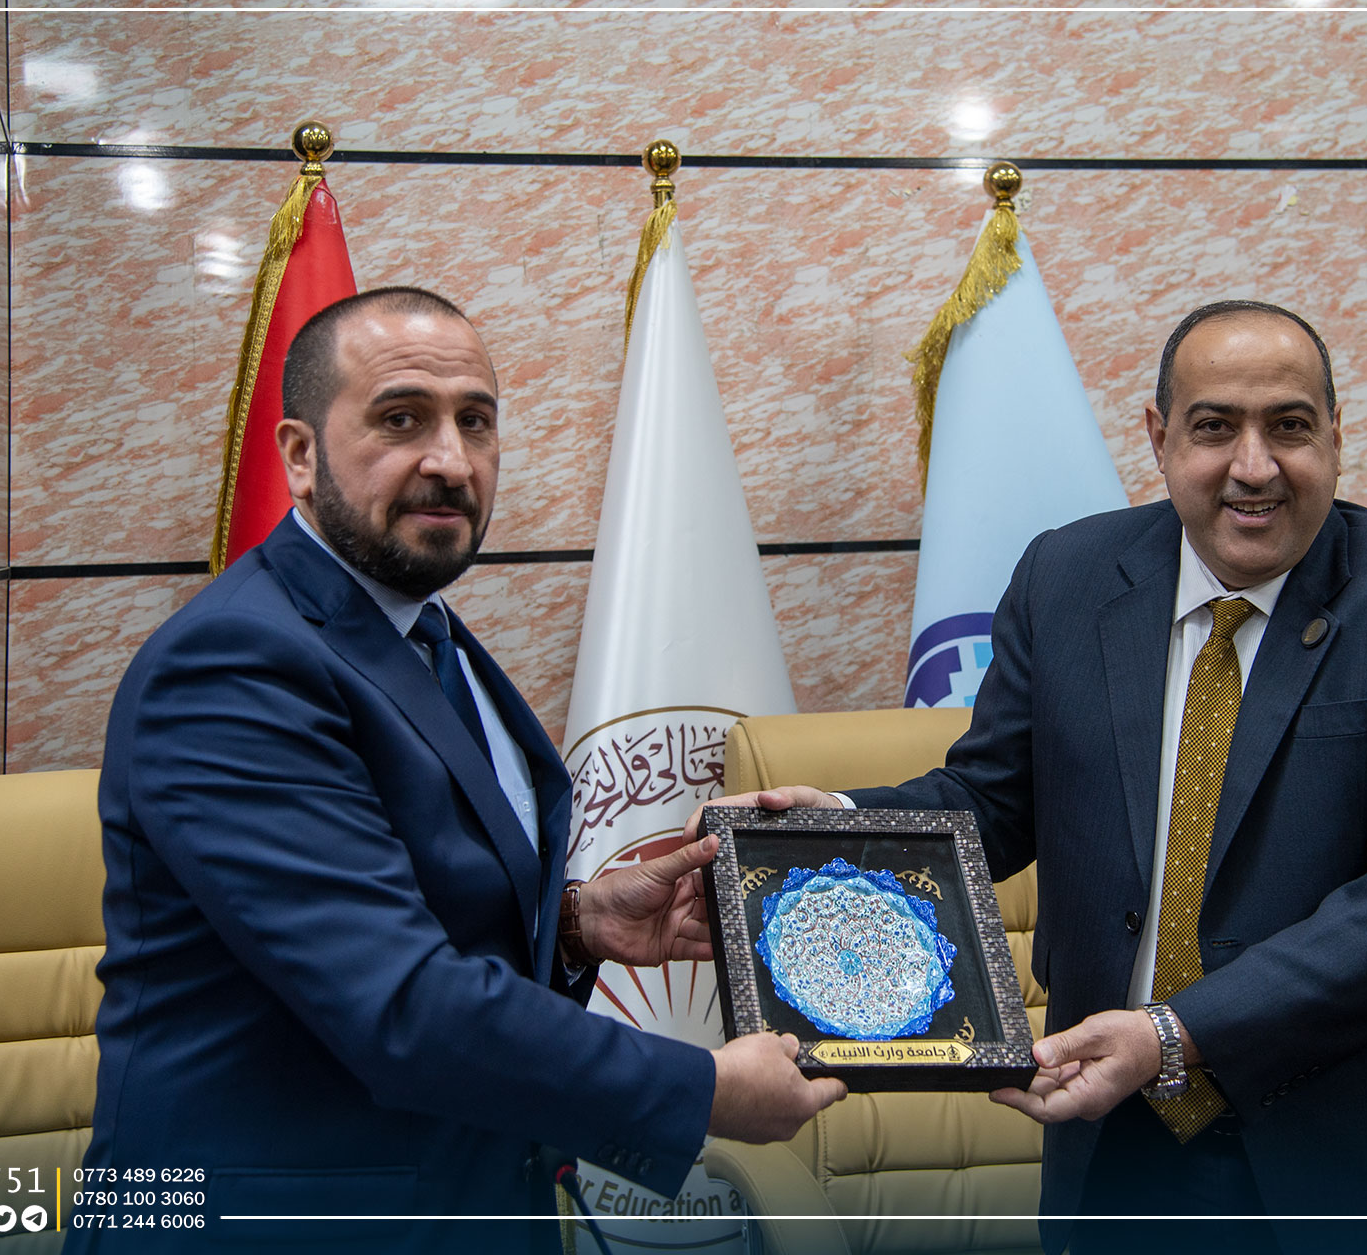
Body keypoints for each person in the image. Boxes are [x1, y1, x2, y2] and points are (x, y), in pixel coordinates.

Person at [701, 301, 1367, 1254]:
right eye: (1214, 426)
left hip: (1364, 1148)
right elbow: (991, 801)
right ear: (1159, 436)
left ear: (1335, 438)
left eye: (1289, 427)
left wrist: (1176, 1032)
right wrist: (837, 824)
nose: (1254, 466)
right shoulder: (1067, 577)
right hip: (1124, 1148)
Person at [72, 287, 844, 1254]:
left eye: (475, 422)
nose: (450, 460)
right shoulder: (233, 664)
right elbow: (400, 1005)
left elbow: (432, 906)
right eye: (402, 419)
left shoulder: (421, 629)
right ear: (300, 456)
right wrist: (703, 1090)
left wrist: (579, 925)